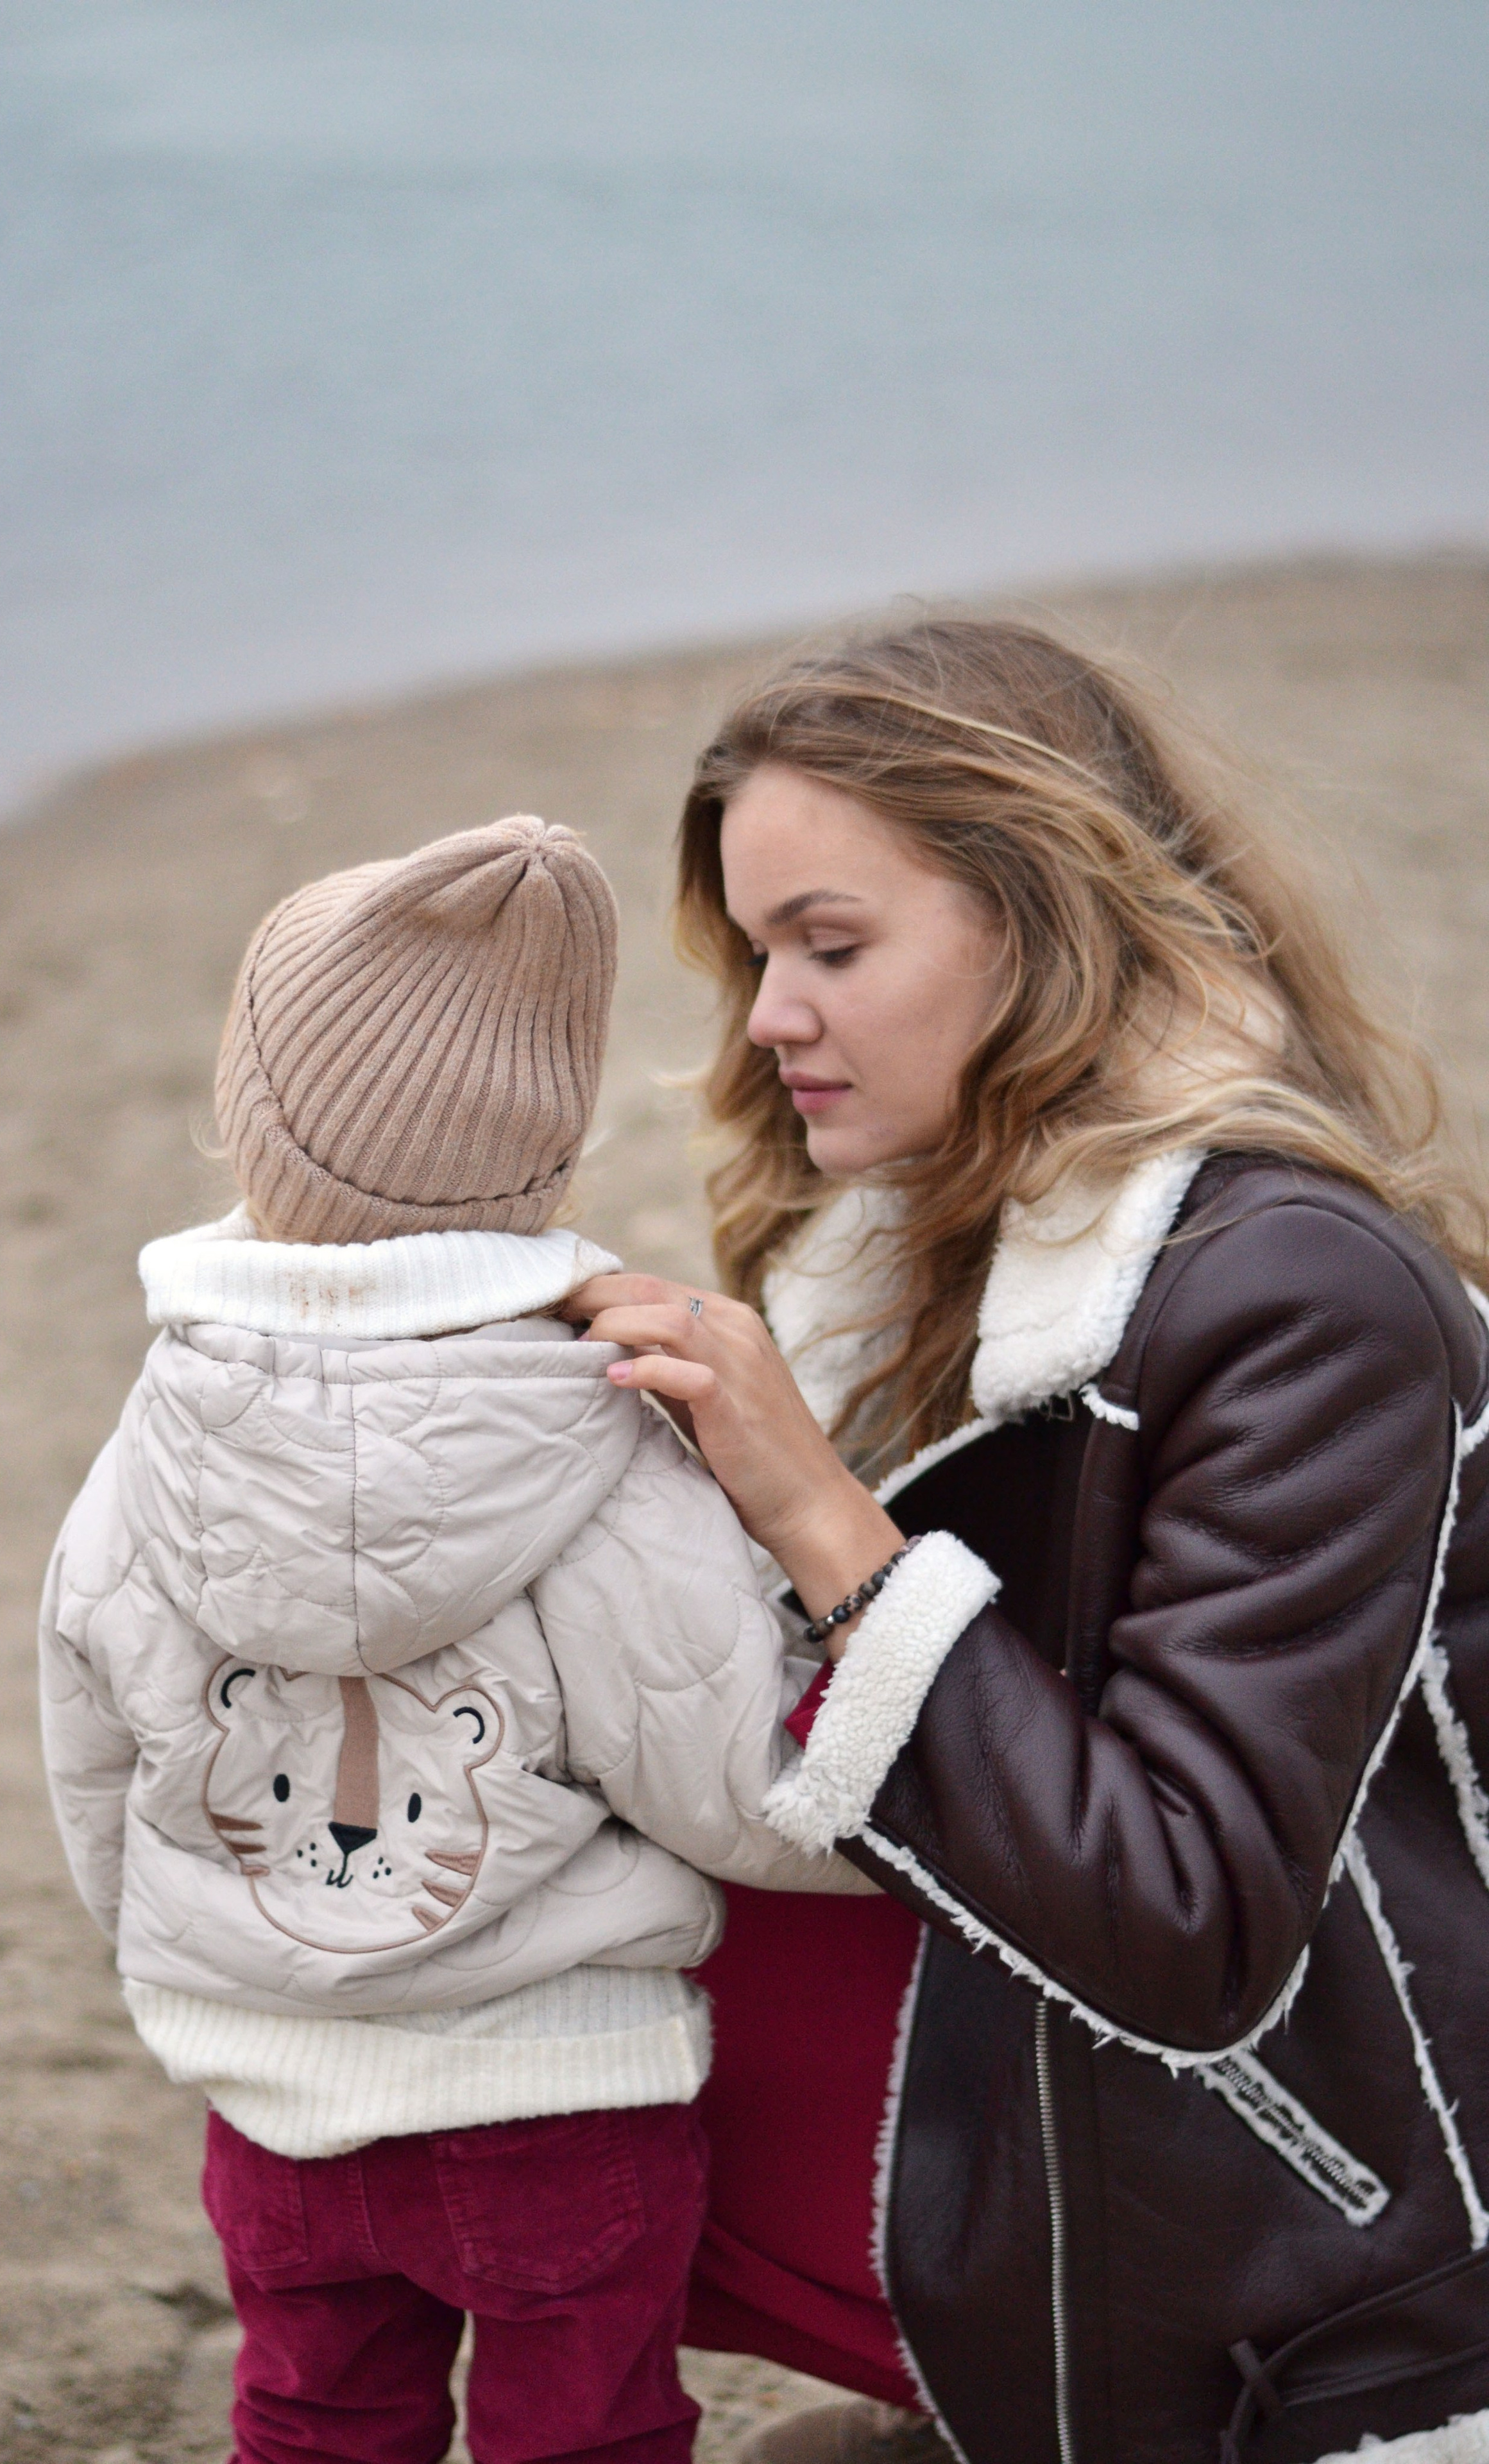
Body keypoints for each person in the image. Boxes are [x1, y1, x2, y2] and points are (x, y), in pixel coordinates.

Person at [571, 622, 1489, 2464]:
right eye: (759, 956)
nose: (768, 1017)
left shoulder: (1301, 1298)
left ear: (1043, 917)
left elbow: (1184, 1917)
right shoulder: (913, 1254)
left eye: (832, 946)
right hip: (1037, 2174)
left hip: (1314, 2285)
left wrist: (819, 1516)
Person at [37, 815, 860, 2464]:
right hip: (562, 2099)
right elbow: (730, 1797)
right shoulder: (614, 1449)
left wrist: (202, 1956)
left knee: (310, 2412)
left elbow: (96, 1755)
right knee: (590, 2429)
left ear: (247, 1129)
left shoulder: (154, 1443)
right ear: (541, 1158)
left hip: (273, 2101)